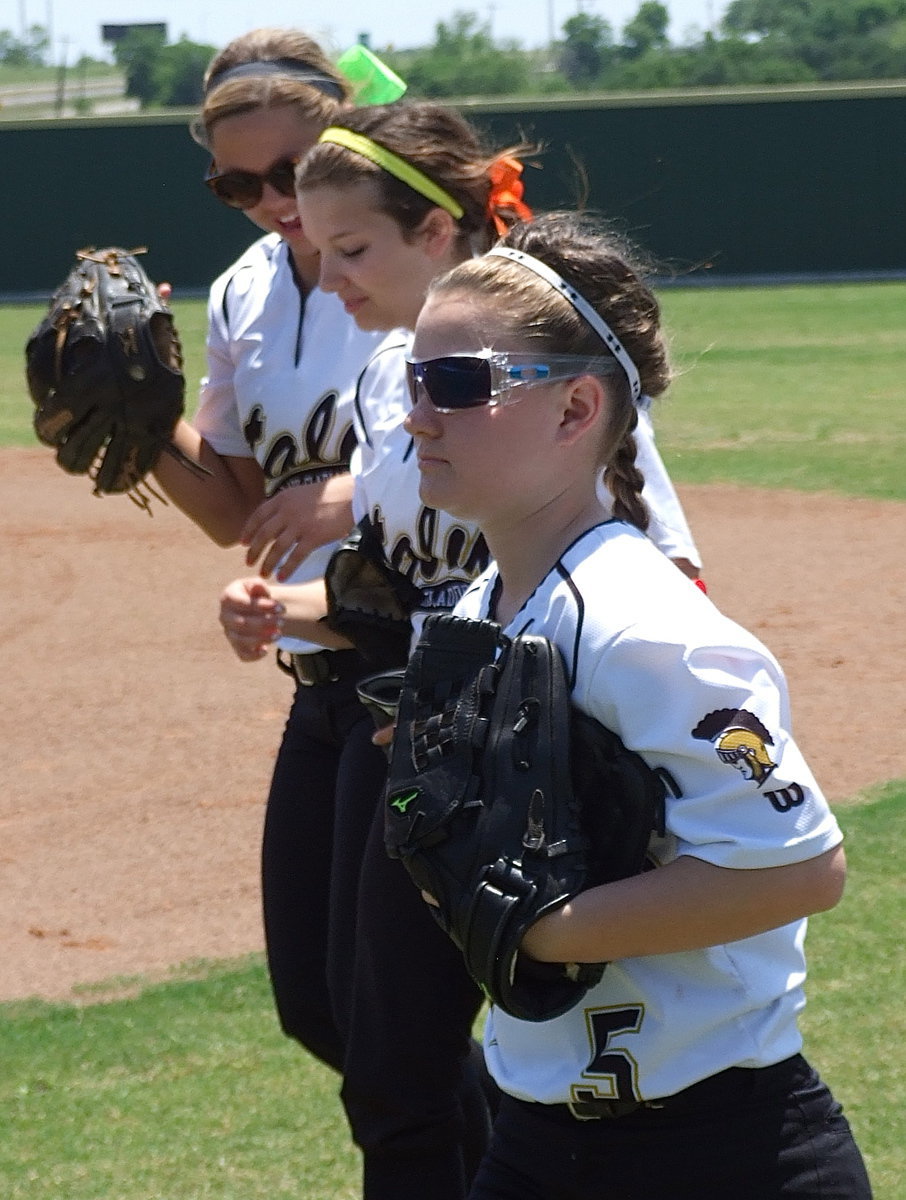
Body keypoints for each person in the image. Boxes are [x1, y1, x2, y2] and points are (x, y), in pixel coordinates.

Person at [219, 102, 706, 1198]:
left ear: (440, 234)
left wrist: (580, 742)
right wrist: (287, 610)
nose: (326, 272)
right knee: (340, 1022)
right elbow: (400, 590)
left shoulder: (530, 383)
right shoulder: (385, 383)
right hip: (396, 733)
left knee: (404, 1078)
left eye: (353, 247)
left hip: (495, 759)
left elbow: (664, 566)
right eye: (315, 245)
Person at [401, 210, 873, 1199]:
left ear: (576, 410)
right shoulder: (485, 605)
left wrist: (548, 928)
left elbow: (801, 868)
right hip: (534, 1139)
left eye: (457, 382)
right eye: (414, 378)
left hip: (725, 1156)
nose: (417, 416)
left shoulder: (646, 625)